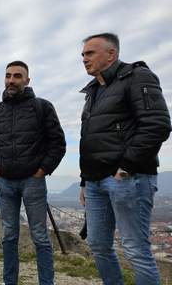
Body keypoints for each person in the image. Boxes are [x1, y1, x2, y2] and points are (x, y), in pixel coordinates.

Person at [79, 32, 171, 285]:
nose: (84, 59)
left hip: (129, 179)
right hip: (96, 182)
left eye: (90, 53)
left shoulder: (137, 77)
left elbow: (157, 125)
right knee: (98, 245)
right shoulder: (94, 91)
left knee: (136, 250)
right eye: (83, 54)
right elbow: (90, 139)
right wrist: (84, 181)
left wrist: (125, 170)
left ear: (111, 53)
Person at [0, 61, 66, 285]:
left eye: (17, 76)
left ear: (27, 81)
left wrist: (42, 170)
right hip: (5, 182)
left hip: (33, 181)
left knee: (40, 237)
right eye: (8, 76)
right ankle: (10, 282)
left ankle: (46, 282)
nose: (11, 80)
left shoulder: (42, 106)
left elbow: (57, 143)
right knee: (9, 237)